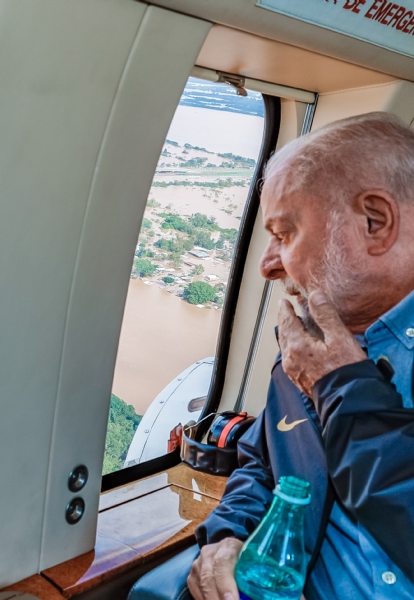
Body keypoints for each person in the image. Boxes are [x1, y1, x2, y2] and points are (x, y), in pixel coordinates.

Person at [186, 112, 414, 600]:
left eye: (284, 233)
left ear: (375, 222)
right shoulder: (309, 350)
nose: (269, 264)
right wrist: (229, 534)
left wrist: (343, 387)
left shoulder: (324, 367)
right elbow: (265, 464)